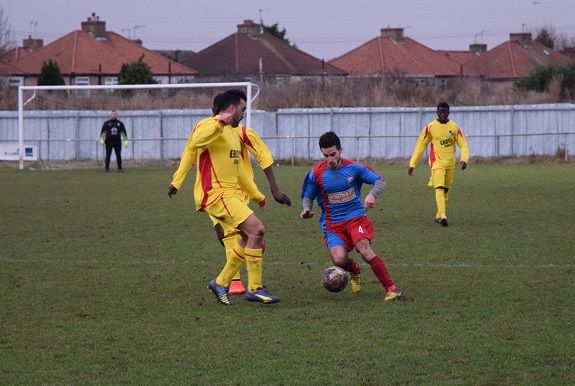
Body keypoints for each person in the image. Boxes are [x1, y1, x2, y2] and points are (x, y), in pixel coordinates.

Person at [169, 93, 291, 296]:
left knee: (247, 236)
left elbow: (239, 172)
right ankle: (252, 287)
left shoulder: (236, 134)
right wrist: (177, 180)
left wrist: (257, 195)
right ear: (232, 109)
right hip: (215, 194)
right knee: (252, 231)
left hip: (232, 195)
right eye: (243, 110)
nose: (244, 115)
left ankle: (222, 282)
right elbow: (194, 144)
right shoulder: (207, 126)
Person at [300, 131, 403, 301]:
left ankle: (391, 289)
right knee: (339, 260)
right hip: (332, 224)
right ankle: (354, 269)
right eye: (326, 156)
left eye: (333, 154)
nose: (330, 159)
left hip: (356, 218)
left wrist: (372, 195)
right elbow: (308, 195)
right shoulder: (316, 173)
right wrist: (306, 209)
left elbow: (380, 180)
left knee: (364, 249)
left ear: (340, 150)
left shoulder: (354, 168)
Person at [408, 102, 469, 226]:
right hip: (437, 163)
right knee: (439, 188)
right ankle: (443, 216)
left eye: (445, 112)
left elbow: (463, 144)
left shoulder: (454, 127)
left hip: (450, 164)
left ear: (448, 113)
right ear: (437, 112)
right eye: (440, 112)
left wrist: (464, 159)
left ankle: (439, 215)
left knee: (445, 190)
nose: (442, 114)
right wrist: (412, 163)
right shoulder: (430, 127)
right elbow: (420, 146)